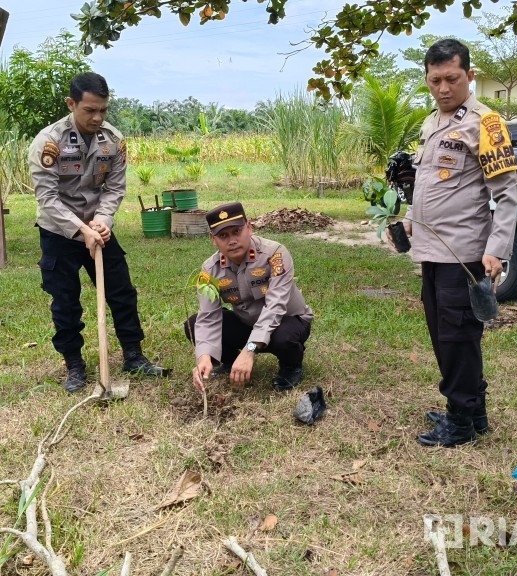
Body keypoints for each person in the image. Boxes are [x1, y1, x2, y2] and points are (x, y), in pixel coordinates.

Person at [400, 39, 517, 447]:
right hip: (432, 250)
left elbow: (507, 191)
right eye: (435, 80)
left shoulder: (485, 123)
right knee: (445, 334)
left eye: (452, 79)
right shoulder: (431, 122)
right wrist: (410, 220)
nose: (443, 88)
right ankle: (474, 409)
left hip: (463, 252)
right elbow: (427, 182)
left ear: (470, 76)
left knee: (457, 337)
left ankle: (461, 421)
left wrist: (497, 249)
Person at [29, 72, 166, 393]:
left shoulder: (113, 140)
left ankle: (133, 355)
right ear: (71, 104)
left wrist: (103, 221)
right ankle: (74, 365)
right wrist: (81, 230)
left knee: (122, 291)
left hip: (98, 227)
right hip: (59, 230)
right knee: (65, 300)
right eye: (90, 110)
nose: (97, 117)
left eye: (103, 110)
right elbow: (47, 198)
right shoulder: (49, 142)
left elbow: (114, 188)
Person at [186, 202, 313, 392]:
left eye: (237, 231)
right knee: (194, 324)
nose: (232, 240)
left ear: (249, 228)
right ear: (213, 239)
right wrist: (204, 356)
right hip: (248, 324)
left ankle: (291, 366)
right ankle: (230, 361)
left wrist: (250, 349)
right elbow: (208, 316)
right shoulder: (209, 269)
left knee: (284, 338)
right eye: (223, 236)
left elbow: (275, 307)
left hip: (286, 321)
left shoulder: (275, 254)